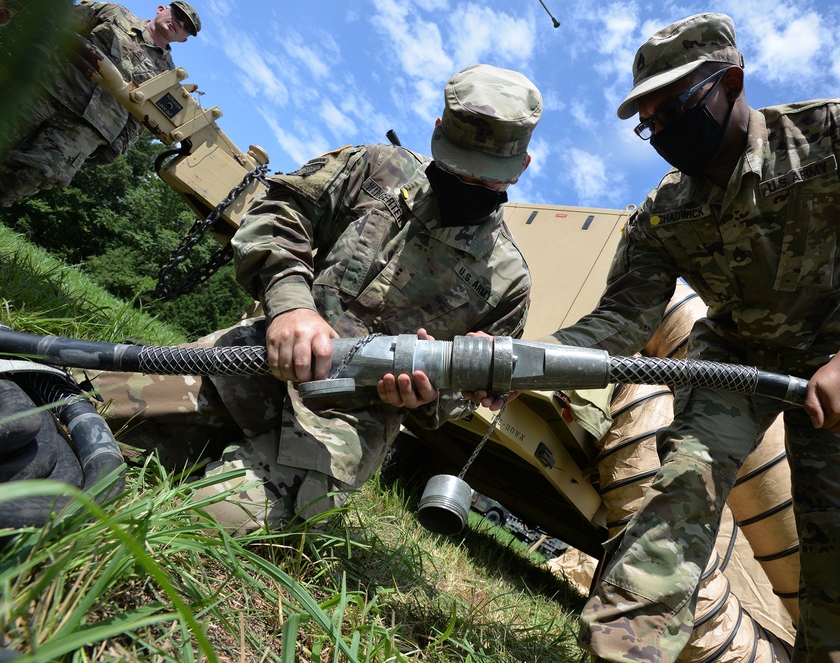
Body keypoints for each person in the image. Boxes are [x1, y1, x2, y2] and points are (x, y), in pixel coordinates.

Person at [527, 13, 840, 663]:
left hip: (837, 358)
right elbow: (621, 322)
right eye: (647, 123)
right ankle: (621, 650)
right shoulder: (664, 210)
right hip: (731, 359)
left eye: (674, 109)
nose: (660, 133)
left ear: (730, 81)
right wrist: (521, 360)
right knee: (683, 483)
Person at [79, 63, 542, 532]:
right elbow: (279, 210)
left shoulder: (508, 282)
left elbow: (466, 399)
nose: (467, 185)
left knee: (205, 522)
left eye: (485, 179)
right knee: (69, 404)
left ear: (521, 167)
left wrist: (429, 396)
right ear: (438, 132)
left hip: (342, 431)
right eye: (456, 167)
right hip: (255, 361)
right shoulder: (375, 168)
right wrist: (292, 304)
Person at [0, 0, 200, 206]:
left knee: (35, 175)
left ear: (184, 39)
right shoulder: (114, 13)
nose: (180, 23)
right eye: (177, 15)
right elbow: (59, 26)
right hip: (47, 89)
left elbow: (143, 117)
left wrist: (119, 146)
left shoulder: (168, 76)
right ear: (161, 10)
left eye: (186, 27)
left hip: (89, 128)